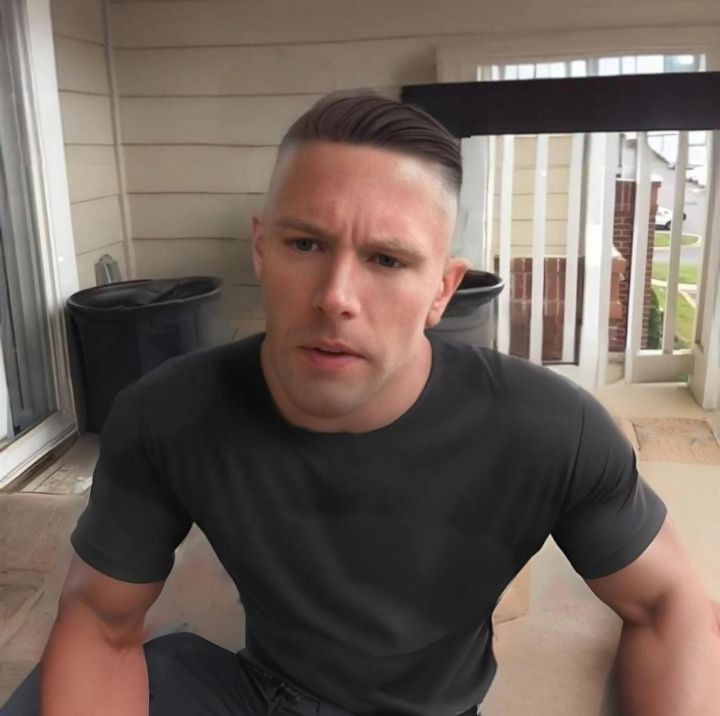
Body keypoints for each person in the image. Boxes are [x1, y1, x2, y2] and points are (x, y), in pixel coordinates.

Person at [2, 92, 719, 716]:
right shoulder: (167, 414)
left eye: (387, 259)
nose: (336, 297)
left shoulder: (552, 429)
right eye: (305, 243)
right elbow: (100, 622)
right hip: (257, 694)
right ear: (261, 248)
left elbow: (671, 604)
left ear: (442, 289)